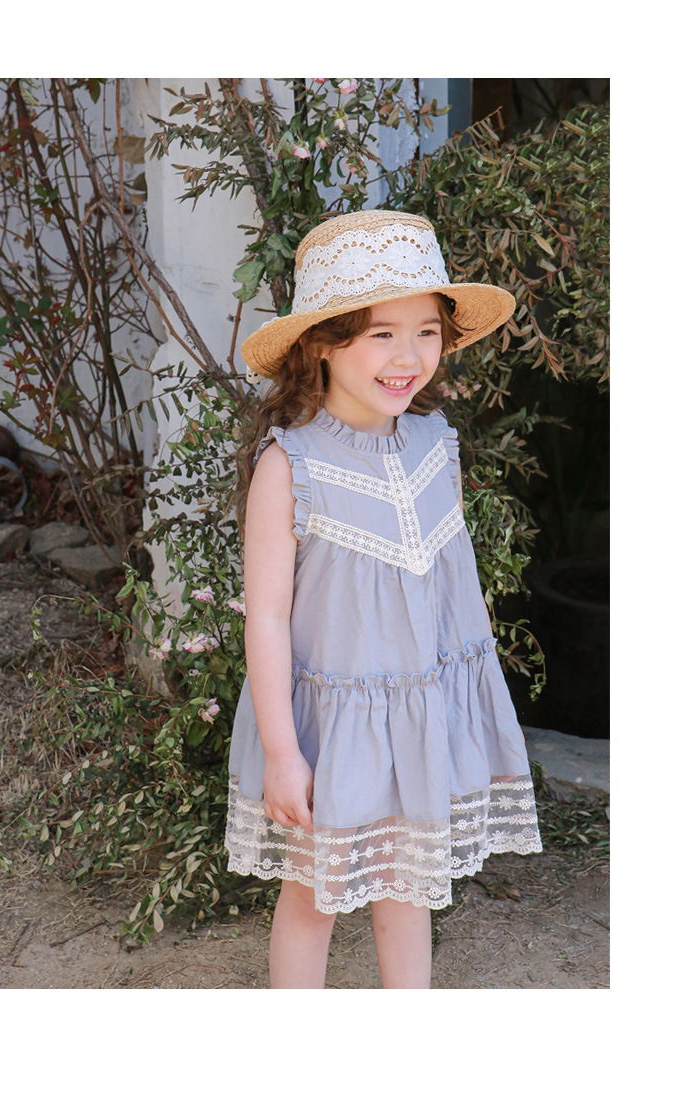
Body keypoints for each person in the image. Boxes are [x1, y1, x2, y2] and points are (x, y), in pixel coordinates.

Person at [224, 210, 542, 989]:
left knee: (410, 887)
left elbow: (445, 592)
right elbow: (267, 618)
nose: (409, 358)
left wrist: (455, 712)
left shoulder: (437, 444)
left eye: (427, 332)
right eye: (381, 335)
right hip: (332, 730)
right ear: (322, 344)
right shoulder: (290, 466)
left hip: (419, 718)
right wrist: (282, 752)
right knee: (314, 896)